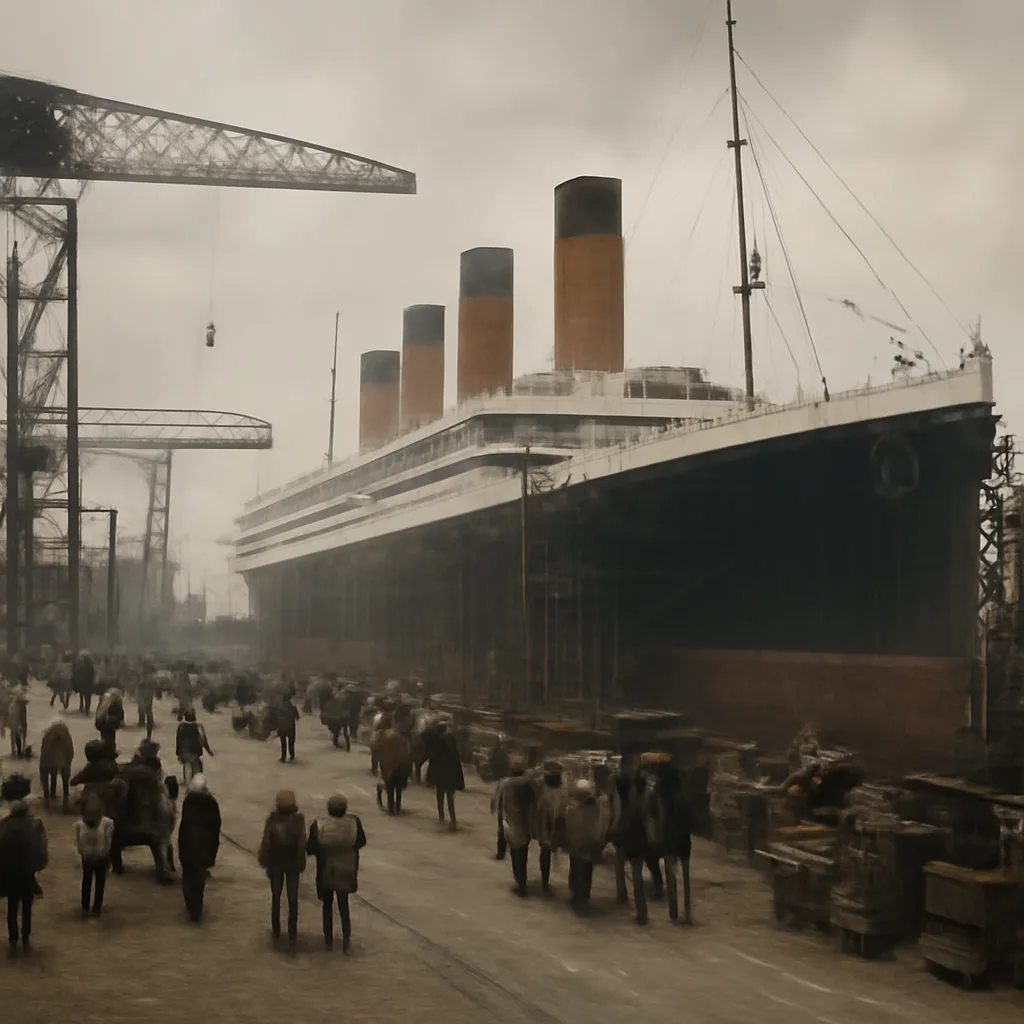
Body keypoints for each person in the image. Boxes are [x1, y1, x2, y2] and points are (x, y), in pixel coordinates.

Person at [306, 793, 366, 952]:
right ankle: (346, 939)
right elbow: (361, 842)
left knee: (327, 905)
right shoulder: (354, 822)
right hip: (347, 868)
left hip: (326, 869)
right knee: (343, 904)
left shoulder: (319, 824)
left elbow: (310, 848)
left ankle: (328, 940)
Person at [0, 775, 48, 952]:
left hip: (11, 874)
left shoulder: (4, 825)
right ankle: (26, 938)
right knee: (27, 908)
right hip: (27, 874)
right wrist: (39, 866)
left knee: (12, 909)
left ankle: (13, 939)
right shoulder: (35, 824)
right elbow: (41, 849)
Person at [257, 790, 306, 944]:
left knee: (276, 896)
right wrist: (301, 862)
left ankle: (276, 928)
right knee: (293, 898)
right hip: (292, 863)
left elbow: (266, 843)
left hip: (275, 863)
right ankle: (292, 930)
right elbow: (302, 843)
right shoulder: (298, 821)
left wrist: (264, 860)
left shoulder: (272, 820)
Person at [177, 774, 221, 924]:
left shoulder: (188, 802)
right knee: (199, 878)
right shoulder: (211, 802)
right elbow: (216, 825)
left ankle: (191, 906)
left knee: (188, 876)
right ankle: (197, 908)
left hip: (188, 845)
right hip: (204, 845)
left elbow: (184, 825)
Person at [73, 794, 114, 916]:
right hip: (89, 858)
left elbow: (108, 841)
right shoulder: (79, 825)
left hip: (99, 858)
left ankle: (96, 907)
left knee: (98, 882)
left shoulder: (108, 823)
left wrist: (103, 854)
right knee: (88, 881)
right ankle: (86, 906)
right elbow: (79, 844)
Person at [175, 709, 214, 786]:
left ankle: (187, 783)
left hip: (184, 754)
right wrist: (209, 751)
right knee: (198, 773)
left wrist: (178, 754)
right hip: (195, 753)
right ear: (195, 716)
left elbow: (178, 740)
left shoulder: (181, 726)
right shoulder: (199, 727)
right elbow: (203, 741)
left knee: (186, 768)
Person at [276, 694, 300, 763]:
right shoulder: (293, 707)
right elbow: (297, 718)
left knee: (283, 743)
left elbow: (275, 717)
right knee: (291, 743)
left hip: (281, 728)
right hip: (290, 728)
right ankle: (292, 757)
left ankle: (283, 758)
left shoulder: (279, 707)